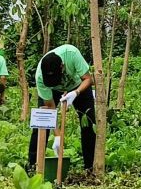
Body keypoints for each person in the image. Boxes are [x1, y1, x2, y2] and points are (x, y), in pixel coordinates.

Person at [27, 44, 96, 174]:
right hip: (53, 91)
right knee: (42, 123)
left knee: (88, 120)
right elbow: (50, 108)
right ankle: (33, 166)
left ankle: (90, 166)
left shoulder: (71, 53)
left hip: (78, 85)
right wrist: (57, 136)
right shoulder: (40, 77)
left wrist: (76, 92)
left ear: (62, 67)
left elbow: (88, 79)